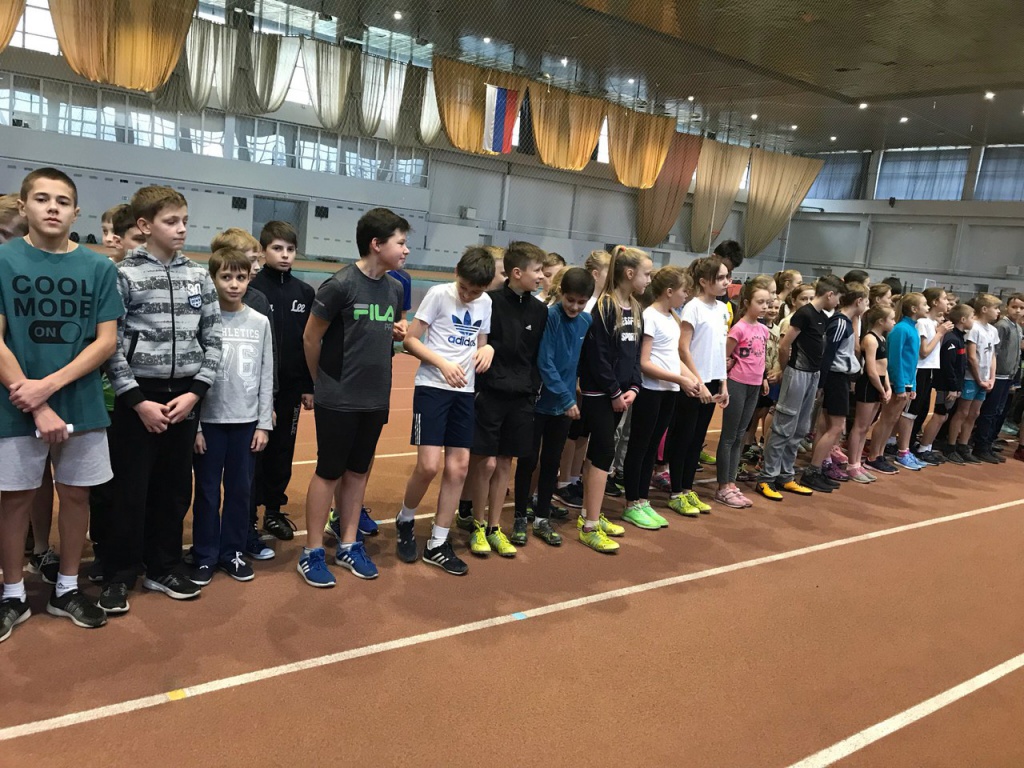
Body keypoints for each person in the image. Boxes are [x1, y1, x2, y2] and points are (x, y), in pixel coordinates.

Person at [0, 168, 123, 642]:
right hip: (15, 402)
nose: (52, 207)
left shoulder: (98, 268)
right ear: (24, 206)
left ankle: (67, 589)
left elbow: (105, 342)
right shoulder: (4, 260)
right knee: (15, 500)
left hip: (80, 402)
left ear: (75, 212)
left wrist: (47, 388)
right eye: (42, 198)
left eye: (63, 201)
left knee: (76, 496)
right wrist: (34, 401)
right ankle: (13, 594)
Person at [99, 185, 223, 613]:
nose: (182, 229)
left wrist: (195, 393)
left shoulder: (198, 275)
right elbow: (110, 345)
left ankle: (163, 566)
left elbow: (214, 339)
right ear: (144, 225)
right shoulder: (123, 275)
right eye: (172, 221)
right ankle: (119, 572)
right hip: (138, 400)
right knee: (129, 490)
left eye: (185, 221)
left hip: (184, 398)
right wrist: (137, 401)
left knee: (173, 490)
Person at [297, 209, 407, 587]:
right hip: (338, 397)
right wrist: (321, 381)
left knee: (358, 472)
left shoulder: (394, 288)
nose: (406, 250)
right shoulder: (340, 285)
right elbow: (311, 338)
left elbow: (386, 334)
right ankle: (312, 551)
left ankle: (348, 544)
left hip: (375, 398)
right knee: (329, 471)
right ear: (376, 244)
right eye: (400, 242)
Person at [396, 247, 494, 575]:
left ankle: (437, 542)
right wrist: (442, 363)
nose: (467, 295)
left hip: (464, 392)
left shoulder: (486, 302)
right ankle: (405, 519)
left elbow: (481, 343)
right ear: (456, 273)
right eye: (464, 287)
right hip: (432, 387)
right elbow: (411, 340)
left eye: (475, 291)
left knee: (459, 468)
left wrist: (488, 350)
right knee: (428, 466)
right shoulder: (439, 294)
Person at [457, 242, 546, 558]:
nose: (542, 276)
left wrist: (532, 387)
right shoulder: (489, 302)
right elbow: (478, 343)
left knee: (505, 462)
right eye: (537, 270)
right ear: (517, 272)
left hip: (521, 398)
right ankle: (477, 524)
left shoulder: (540, 311)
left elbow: (535, 356)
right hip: (490, 394)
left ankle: (495, 527)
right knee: (486, 463)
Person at [189, 249, 273, 585]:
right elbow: (192, 376)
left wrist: (264, 423)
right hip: (209, 423)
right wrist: (195, 426)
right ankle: (205, 554)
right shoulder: (202, 322)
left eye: (241, 277)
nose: (234, 284)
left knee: (240, 491)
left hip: (246, 423)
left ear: (249, 278)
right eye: (226, 277)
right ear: (213, 279)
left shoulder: (260, 322)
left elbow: (266, 374)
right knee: (207, 491)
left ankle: (233, 552)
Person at [513, 267, 595, 546]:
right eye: (570, 300)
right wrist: (566, 398)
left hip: (563, 407)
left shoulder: (586, 321)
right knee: (528, 460)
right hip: (539, 403)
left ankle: (542, 518)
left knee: (552, 462)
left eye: (581, 302)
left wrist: (579, 386)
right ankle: (519, 515)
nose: (575, 307)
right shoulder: (549, 317)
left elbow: (581, 360)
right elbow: (545, 361)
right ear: (561, 293)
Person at [576, 246, 650, 550]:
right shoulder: (604, 307)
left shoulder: (636, 308)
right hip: (600, 393)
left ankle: (589, 513)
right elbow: (598, 356)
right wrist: (615, 392)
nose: (649, 280)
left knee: (600, 453)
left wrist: (635, 386)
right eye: (646, 274)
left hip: (622, 394)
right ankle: (590, 526)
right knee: (604, 451)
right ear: (629, 273)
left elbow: (634, 354)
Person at [249, 221, 315, 542]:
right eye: (277, 248)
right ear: (263, 251)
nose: (285, 255)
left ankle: (273, 510)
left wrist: (308, 385)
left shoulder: (305, 293)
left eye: (290, 249)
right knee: (254, 451)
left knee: (282, 450)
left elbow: (309, 342)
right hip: (255, 389)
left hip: (290, 389)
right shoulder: (253, 289)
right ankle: (248, 514)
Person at [756, 275, 845, 501]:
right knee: (783, 426)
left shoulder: (822, 316)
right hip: (797, 373)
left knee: (801, 428)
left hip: (813, 375)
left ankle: (785, 475)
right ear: (830, 294)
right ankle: (766, 478)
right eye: (838, 298)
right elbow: (784, 345)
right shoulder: (804, 314)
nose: (838, 303)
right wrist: (786, 370)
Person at [621, 266, 698, 525]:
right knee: (640, 446)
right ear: (669, 291)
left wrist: (693, 379)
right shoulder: (650, 316)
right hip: (651, 391)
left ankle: (643, 500)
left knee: (652, 447)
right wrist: (680, 379)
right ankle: (631, 502)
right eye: (684, 291)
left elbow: (672, 357)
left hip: (668, 391)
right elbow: (644, 362)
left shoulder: (672, 317)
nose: (686, 296)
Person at [666, 256, 731, 516]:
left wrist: (723, 382)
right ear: (704, 281)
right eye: (721, 277)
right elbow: (683, 348)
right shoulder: (693, 307)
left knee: (697, 440)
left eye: (727, 277)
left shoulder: (723, 308)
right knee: (684, 437)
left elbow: (720, 348)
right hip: (693, 382)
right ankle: (676, 493)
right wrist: (698, 382)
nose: (727, 282)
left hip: (713, 381)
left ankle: (687, 488)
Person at [801, 282, 868, 492]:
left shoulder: (845, 322)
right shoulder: (840, 323)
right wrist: (821, 383)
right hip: (835, 377)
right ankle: (813, 470)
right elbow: (828, 353)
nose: (867, 306)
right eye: (866, 302)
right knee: (836, 427)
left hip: (838, 376)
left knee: (825, 425)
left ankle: (818, 468)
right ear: (858, 301)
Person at [715, 279, 772, 507]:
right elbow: (724, 357)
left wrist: (764, 378)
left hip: (754, 385)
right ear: (747, 302)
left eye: (767, 302)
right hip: (737, 383)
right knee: (729, 436)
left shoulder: (764, 329)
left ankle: (731, 483)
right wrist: (724, 384)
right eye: (760, 302)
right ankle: (723, 486)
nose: (765, 306)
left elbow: (761, 357)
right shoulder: (738, 329)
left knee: (741, 434)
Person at [865, 293, 928, 475]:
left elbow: (913, 362)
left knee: (892, 420)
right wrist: (900, 386)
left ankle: (880, 454)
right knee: (886, 419)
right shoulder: (901, 329)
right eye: (924, 304)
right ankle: (873, 456)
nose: (927, 307)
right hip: (897, 382)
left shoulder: (912, 329)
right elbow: (895, 360)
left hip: (906, 381)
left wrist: (913, 385)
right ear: (914, 309)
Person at [946, 294, 1001, 464]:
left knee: (975, 413)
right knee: (963, 412)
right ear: (984, 309)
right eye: (995, 308)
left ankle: (963, 445)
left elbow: (992, 355)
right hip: (971, 378)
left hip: (984, 379)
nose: (998, 312)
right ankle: (951, 445)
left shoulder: (993, 330)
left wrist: (991, 377)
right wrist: (979, 379)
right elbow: (971, 357)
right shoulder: (974, 328)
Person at [972, 293, 1024, 463]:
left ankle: (988, 442)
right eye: (1014, 307)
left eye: (1021, 308)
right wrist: (994, 373)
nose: (1018, 311)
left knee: (997, 411)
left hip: (1008, 375)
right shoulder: (1002, 326)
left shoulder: (1017, 327)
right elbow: (996, 352)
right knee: (989, 411)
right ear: (1007, 308)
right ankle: (981, 445)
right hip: (999, 375)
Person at [846, 306, 895, 483]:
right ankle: (852, 465)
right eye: (892, 319)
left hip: (879, 384)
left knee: (866, 427)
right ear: (881, 321)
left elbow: (884, 366)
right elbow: (871, 370)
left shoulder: (882, 338)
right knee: (860, 426)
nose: (894, 322)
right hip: (868, 384)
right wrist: (881, 389)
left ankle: (858, 463)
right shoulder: (870, 339)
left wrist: (888, 387)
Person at [919, 304, 973, 465]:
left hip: (950, 385)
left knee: (943, 416)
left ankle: (927, 447)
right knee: (939, 415)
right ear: (962, 319)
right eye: (971, 317)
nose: (973, 321)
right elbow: (948, 366)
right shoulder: (952, 339)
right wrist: (953, 387)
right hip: (946, 385)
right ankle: (923, 448)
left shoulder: (958, 337)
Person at [910, 288, 954, 464]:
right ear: (935, 302)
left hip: (930, 370)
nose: (947, 302)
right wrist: (940, 332)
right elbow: (924, 352)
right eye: (944, 299)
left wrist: (939, 331)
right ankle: (901, 446)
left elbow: (935, 349)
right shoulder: (922, 322)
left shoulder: (933, 323)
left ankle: (912, 444)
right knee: (912, 412)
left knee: (921, 411)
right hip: (920, 369)